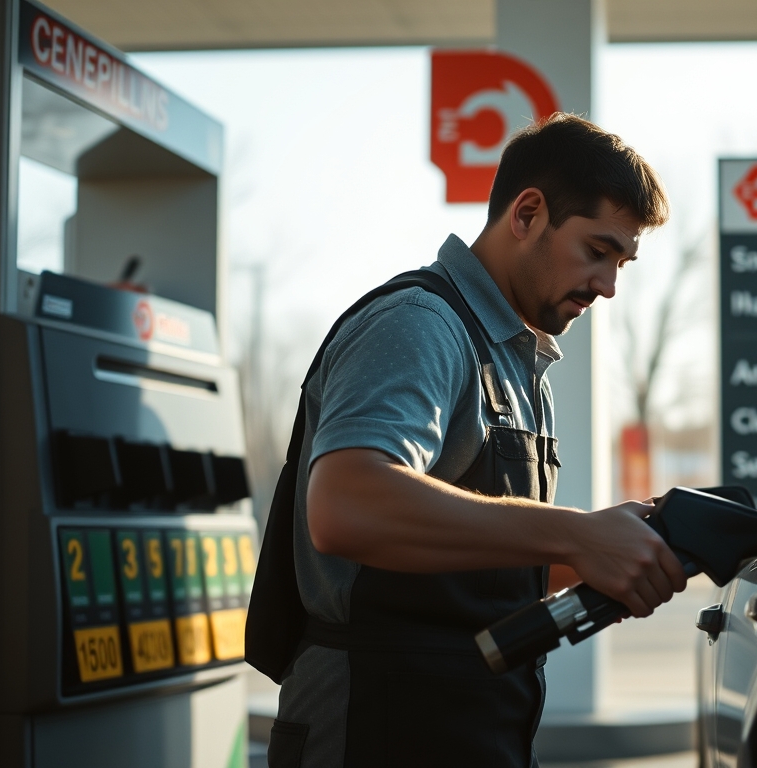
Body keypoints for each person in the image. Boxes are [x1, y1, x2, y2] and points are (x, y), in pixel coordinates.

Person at [266, 113, 687, 768]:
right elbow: (345, 505)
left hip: (470, 728)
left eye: (621, 263)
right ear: (527, 214)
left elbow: (484, 565)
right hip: (374, 728)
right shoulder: (421, 326)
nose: (609, 286)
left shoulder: (518, 363)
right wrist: (575, 534)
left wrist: (615, 550)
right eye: (597, 251)